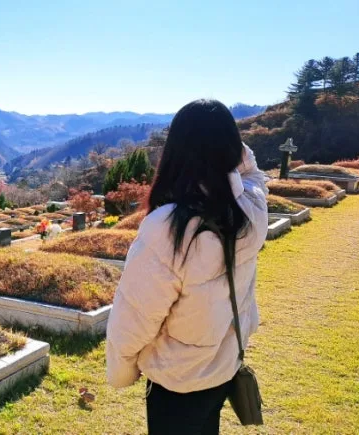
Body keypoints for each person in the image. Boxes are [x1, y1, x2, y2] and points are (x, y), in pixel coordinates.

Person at [105, 99, 268, 434]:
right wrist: (229, 146)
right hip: (223, 365)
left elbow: (134, 317)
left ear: (176, 150)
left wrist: (122, 371)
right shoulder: (250, 208)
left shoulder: (168, 227)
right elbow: (252, 174)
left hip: (177, 378)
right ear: (233, 147)